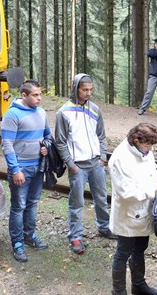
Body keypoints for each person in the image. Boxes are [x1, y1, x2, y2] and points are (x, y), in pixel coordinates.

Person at [107, 123, 157, 295]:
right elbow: (126, 192)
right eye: (148, 145)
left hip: (144, 212)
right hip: (128, 215)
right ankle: (118, 291)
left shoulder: (144, 151)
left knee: (140, 248)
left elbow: (152, 171)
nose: (150, 149)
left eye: (151, 145)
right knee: (123, 253)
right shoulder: (120, 159)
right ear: (136, 140)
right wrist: (153, 190)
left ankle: (138, 285)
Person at [55, 73, 115, 256]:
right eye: (84, 89)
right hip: (78, 166)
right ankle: (75, 235)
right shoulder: (63, 112)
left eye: (90, 90)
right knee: (77, 202)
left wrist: (103, 157)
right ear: (76, 88)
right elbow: (60, 142)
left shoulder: (95, 109)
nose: (88, 93)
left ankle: (104, 227)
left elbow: (101, 135)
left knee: (101, 198)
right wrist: (71, 164)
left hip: (96, 162)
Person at [1, 79, 52, 263]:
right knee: (18, 206)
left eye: (40, 94)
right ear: (24, 95)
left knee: (32, 203)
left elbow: (48, 136)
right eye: (35, 95)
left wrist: (46, 147)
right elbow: (6, 144)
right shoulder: (12, 115)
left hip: (38, 167)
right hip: (21, 168)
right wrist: (15, 170)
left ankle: (29, 236)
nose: (39, 98)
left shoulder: (42, 113)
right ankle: (17, 243)